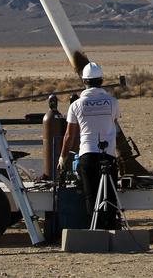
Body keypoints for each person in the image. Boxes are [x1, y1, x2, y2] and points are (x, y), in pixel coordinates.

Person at [60, 62, 121, 228]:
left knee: (91, 196)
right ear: (101, 80)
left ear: (84, 81)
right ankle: (111, 228)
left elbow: (69, 135)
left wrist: (63, 157)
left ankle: (95, 230)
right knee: (110, 195)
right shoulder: (112, 102)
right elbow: (113, 123)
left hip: (87, 155)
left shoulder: (76, 105)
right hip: (108, 155)